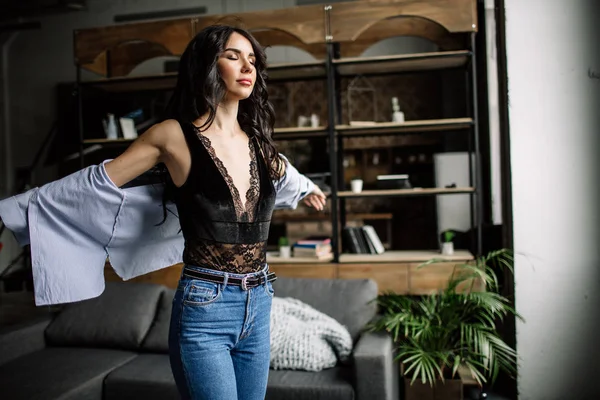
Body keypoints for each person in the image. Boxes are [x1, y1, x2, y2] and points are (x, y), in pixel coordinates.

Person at [102, 25, 326, 400]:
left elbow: (290, 174)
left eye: (252, 60)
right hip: (205, 304)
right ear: (208, 64)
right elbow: (98, 184)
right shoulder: (173, 135)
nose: (247, 67)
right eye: (233, 56)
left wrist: (309, 189)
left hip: (259, 301)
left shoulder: (259, 144)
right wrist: (19, 210)